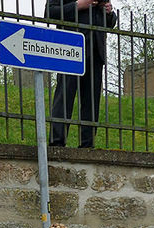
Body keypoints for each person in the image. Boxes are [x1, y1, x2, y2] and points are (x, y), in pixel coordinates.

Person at [46, 0, 117, 148]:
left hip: (96, 52)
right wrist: (78, 5)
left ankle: (87, 145)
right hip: (70, 49)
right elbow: (50, 13)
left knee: (91, 101)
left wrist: (109, 12)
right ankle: (57, 142)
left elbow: (109, 23)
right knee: (65, 95)